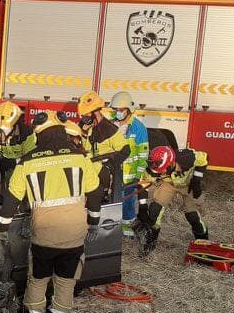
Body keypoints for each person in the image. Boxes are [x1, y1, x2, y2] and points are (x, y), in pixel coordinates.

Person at [0, 112, 102, 313]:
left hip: (43, 237)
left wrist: (1, 230)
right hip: (74, 237)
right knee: (65, 283)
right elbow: (95, 193)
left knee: (38, 281)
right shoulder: (80, 158)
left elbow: (11, 201)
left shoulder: (27, 162)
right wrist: (94, 221)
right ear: (62, 134)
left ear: (38, 136)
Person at [135, 145, 209, 254]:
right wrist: (142, 206)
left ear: (171, 163)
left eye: (162, 170)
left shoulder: (187, 157)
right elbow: (143, 185)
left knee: (192, 216)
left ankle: (203, 243)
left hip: (189, 184)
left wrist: (197, 180)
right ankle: (150, 243)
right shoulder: (153, 168)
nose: (160, 172)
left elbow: (204, 159)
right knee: (154, 211)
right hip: (169, 184)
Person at [77, 90, 129, 201]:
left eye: (86, 116)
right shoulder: (84, 125)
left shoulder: (109, 129)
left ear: (96, 112)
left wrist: (107, 166)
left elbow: (125, 151)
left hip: (102, 176)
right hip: (87, 172)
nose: (83, 119)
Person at [109, 91, 149, 237]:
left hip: (130, 173)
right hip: (112, 170)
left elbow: (143, 154)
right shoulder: (110, 123)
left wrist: (138, 175)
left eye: (120, 110)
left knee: (128, 201)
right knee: (110, 198)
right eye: (115, 110)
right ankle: (111, 223)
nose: (117, 113)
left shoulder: (138, 128)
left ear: (129, 110)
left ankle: (126, 225)